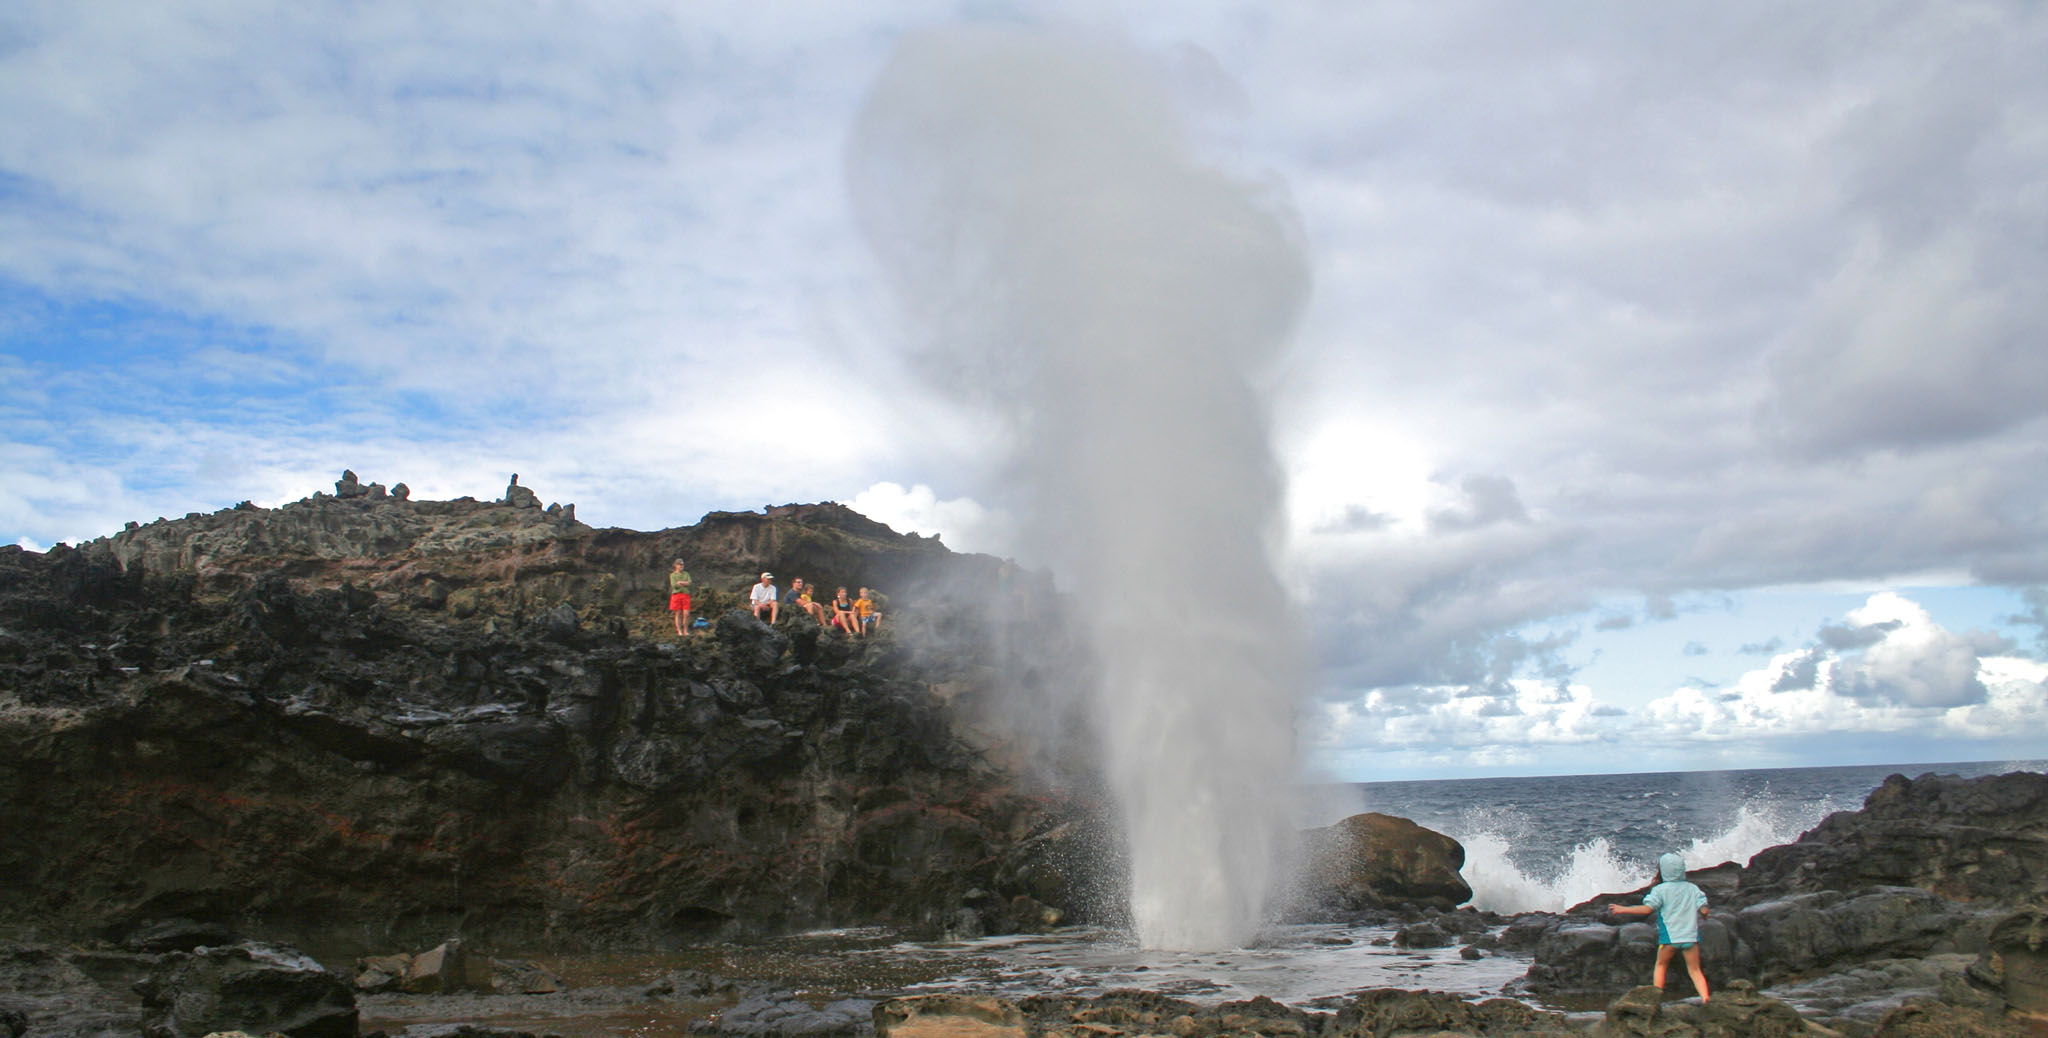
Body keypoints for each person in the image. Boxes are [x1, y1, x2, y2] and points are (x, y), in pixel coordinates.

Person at [1610, 852, 1711, 1002]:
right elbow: (1704, 908)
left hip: (1669, 938)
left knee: (1661, 965)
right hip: (1690, 937)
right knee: (1695, 971)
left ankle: (1656, 998)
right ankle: (1706, 999)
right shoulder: (1692, 888)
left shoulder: (1660, 890)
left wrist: (1623, 909)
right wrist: (1703, 914)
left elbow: (1647, 909)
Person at [667, 559, 693, 636]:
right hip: (676, 595)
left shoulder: (686, 574)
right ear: (676, 565)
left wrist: (680, 582)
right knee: (678, 613)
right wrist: (684, 583)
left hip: (685, 594)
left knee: (686, 614)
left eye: (682, 564)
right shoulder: (673, 575)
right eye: (680, 564)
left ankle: (685, 630)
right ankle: (679, 631)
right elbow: (674, 585)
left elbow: (689, 583)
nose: (682, 566)